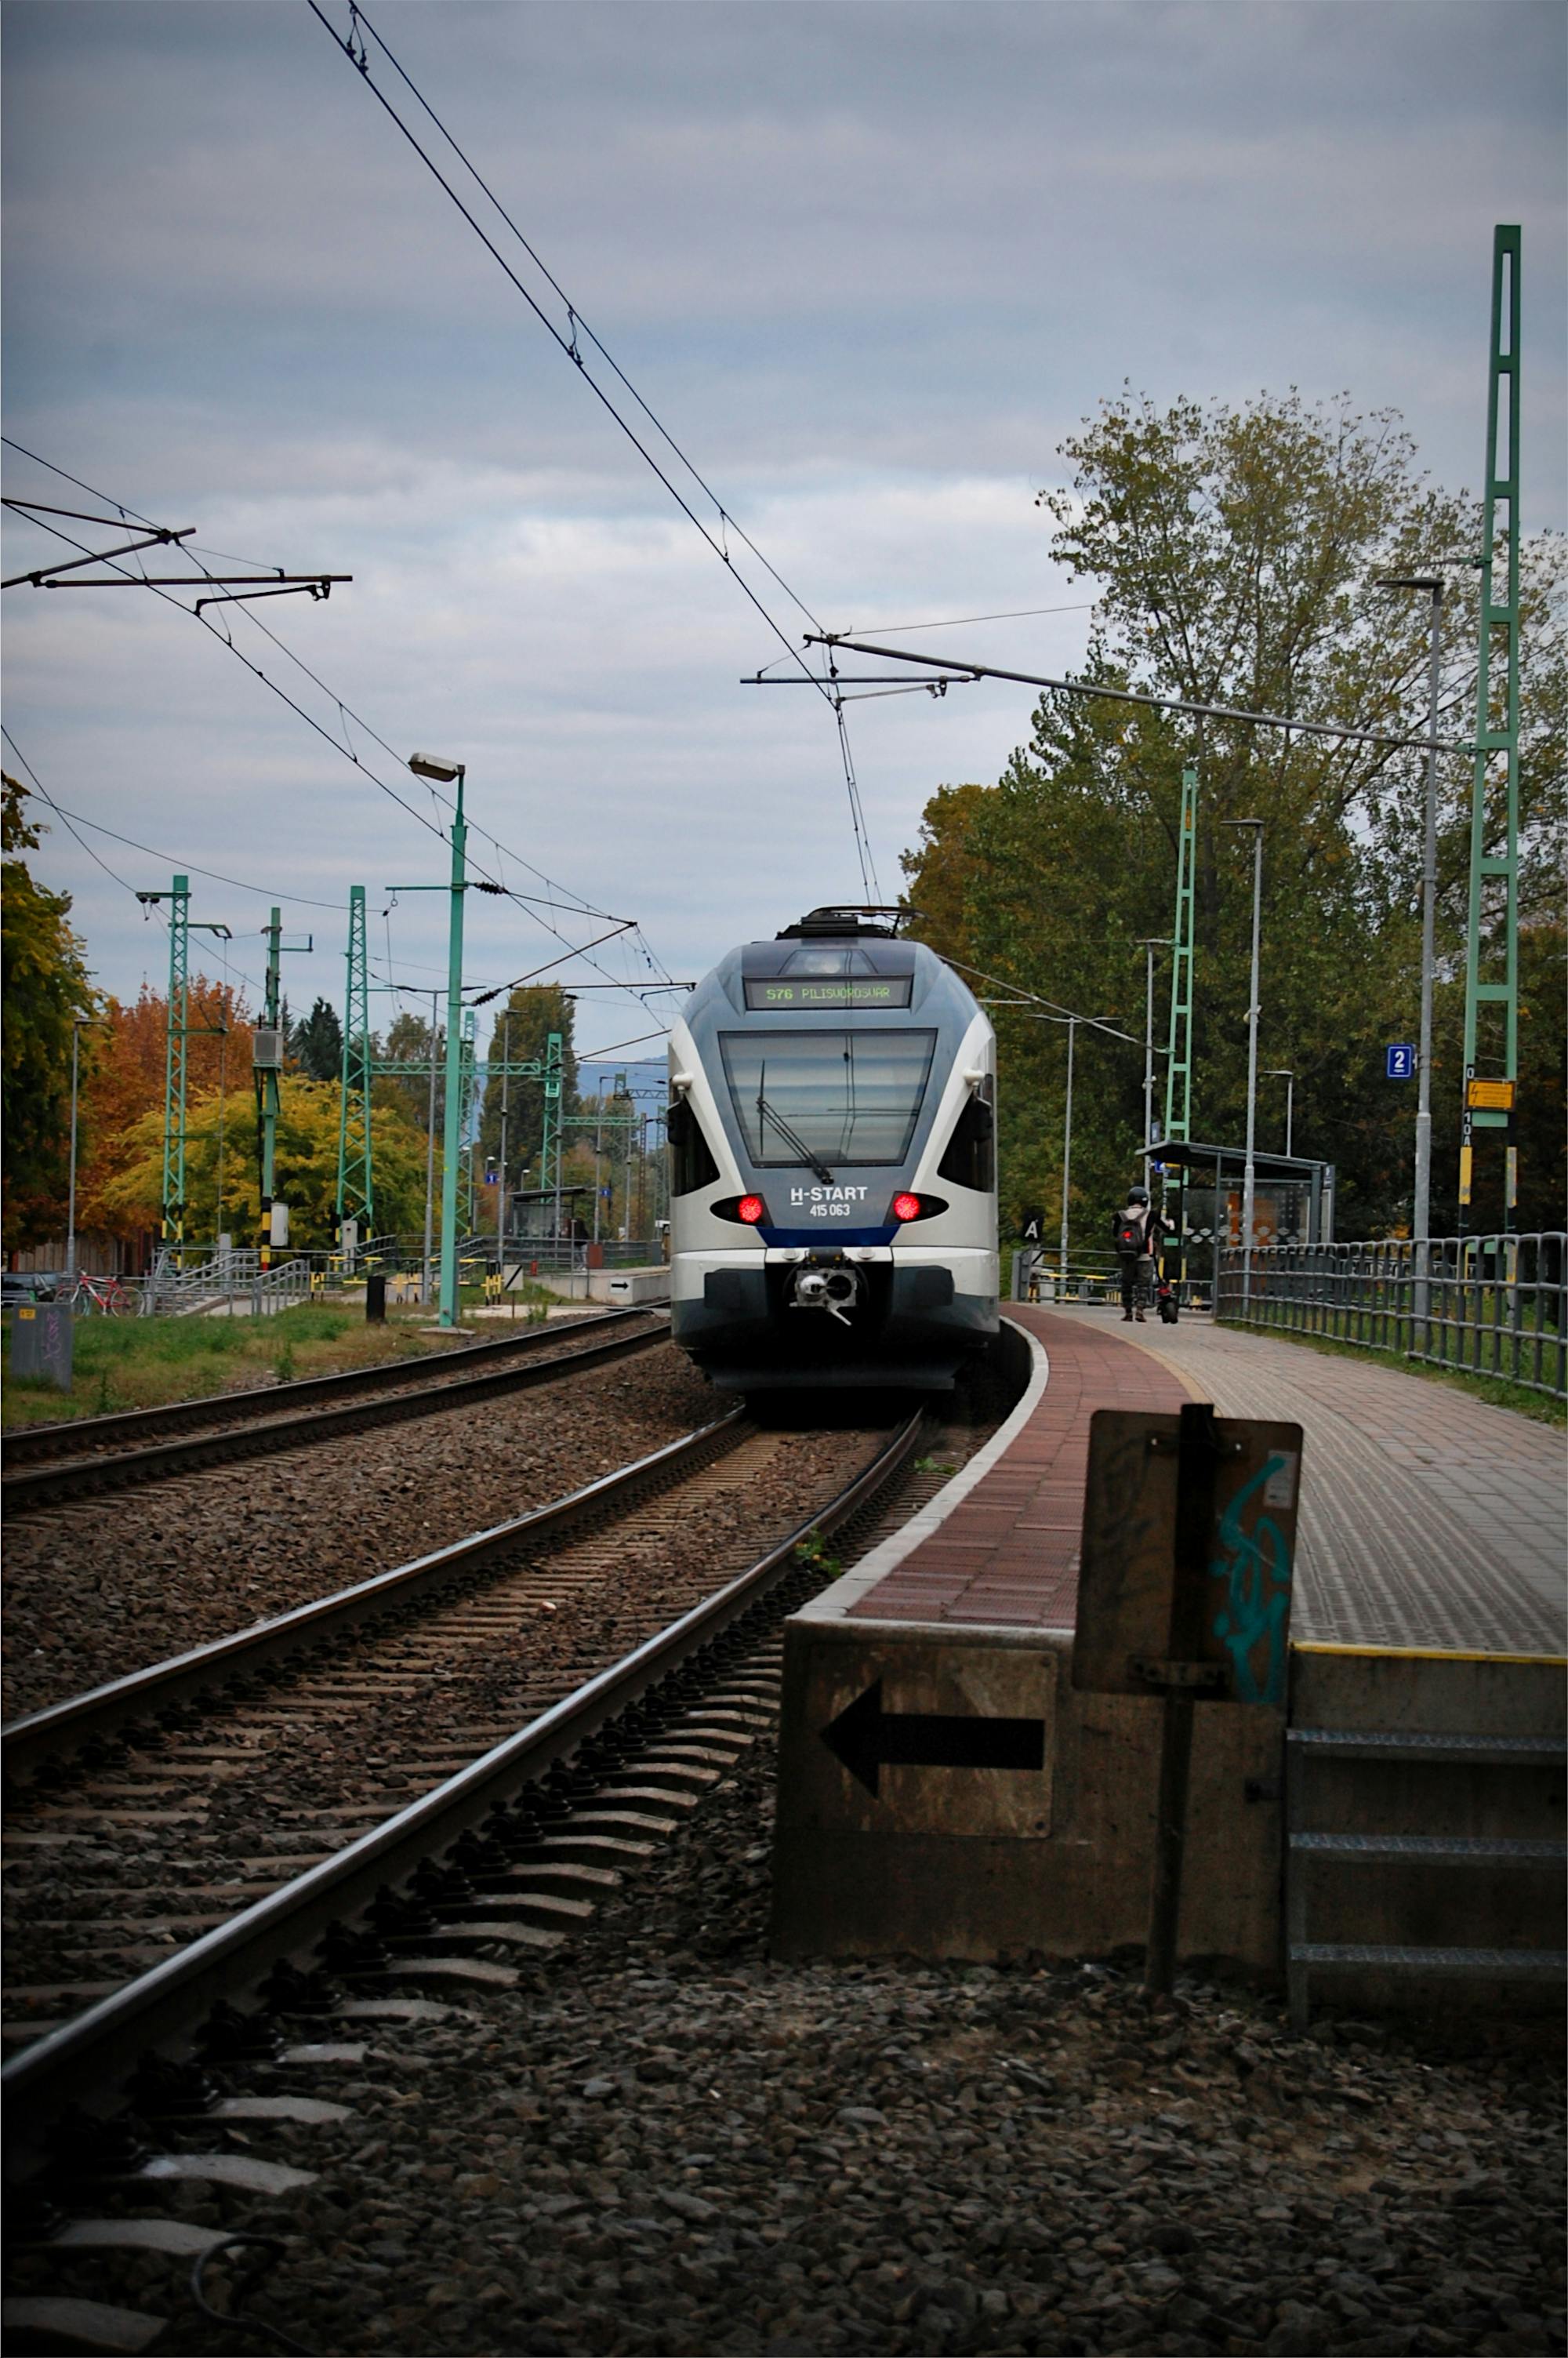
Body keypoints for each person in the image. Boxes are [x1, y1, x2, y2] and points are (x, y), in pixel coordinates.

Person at [1110, 1184, 1173, 1322]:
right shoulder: (1151, 1215)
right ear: (1145, 1201)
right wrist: (1171, 1224)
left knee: (1126, 1283)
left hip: (1127, 1254)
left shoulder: (1119, 1215)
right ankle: (1140, 1309)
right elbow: (1167, 1228)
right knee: (1143, 1284)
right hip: (1145, 1254)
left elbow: (1115, 1233)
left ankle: (1128, 1312)